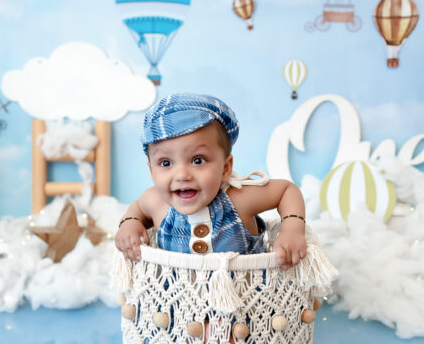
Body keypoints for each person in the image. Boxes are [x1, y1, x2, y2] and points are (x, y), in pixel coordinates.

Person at [115, 93, 307, 269]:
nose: (182, 175)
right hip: (176, 294)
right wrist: (130, 222)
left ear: (225, 168)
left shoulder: (239, 199)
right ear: (151, 170)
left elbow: (286, 191)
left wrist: (292, 230)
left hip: (244, 292)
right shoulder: (156, 201)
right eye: (166, 163)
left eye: (198, 160)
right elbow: (137, 208)